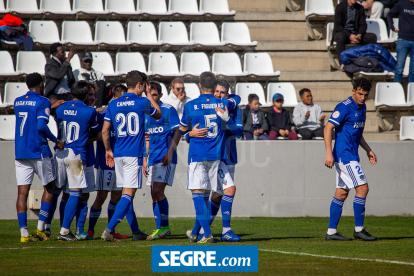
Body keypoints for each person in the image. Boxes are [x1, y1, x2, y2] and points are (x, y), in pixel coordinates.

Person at [100, 71, 162, 242]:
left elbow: (105, 130)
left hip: (118, 153)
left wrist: (107, 150)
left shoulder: (113, 104)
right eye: (144, 86)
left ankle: (135, 231)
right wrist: (150, 95)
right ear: (140, 85)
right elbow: (158, 113)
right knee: (128, 194)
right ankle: (109, 229)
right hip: (133, 154)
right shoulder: (142, 102)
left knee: (127, 194)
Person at [180, 72, 239, 244]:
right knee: (210, 195)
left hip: (198, 156)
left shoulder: (190, 105)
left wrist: (190, 133)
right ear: (214, 88)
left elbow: (182, 130)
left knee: (199, 195)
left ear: (199, 85)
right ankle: (199, 233)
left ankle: (206, 234)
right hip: (216, 157)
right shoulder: (222, 103)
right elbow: (236, 100)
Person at [324, 78, 378, 241]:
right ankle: (359, 229)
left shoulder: (363, 108)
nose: (362, 98)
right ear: (354, 91)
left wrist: (368, 150)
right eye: (360, 94)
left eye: (365, 95)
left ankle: (331, 233)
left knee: (341, 193)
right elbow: (328, 127)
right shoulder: (344, 107)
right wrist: (328, 153)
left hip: (352, 155)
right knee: (363, 188)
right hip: (345, 156)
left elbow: (357, 133)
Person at [14, 73, 64, 242]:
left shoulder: (18, 101)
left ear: (27, 85)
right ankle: (41, 227)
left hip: (21, 151)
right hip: (39, 150)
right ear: (41, 84)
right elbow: (41, 125)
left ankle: (24, 234)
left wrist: (50, 106)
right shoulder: (43, 101)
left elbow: (30, 114)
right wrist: (56, 140)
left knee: (22, 193)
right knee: (50, 187)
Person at [54, 81, 99, 241]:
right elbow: (95, 131)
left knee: (58, 192)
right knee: (75, 193)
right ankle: (65, 231)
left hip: (60, 153)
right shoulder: (88, 112)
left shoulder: (60, 108)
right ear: (86, 95)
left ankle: (45, 228)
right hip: (76, 155)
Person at [87, 84, 130, 240]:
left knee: (117, 195)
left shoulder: (125, 113)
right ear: (117, 98)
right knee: (101, 196)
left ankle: (110, 229)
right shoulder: (102, 113)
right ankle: (90, 229)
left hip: (121, 161)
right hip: (106, 162)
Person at [143, 81, 181, 240]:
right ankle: (160, 228)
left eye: (155, 95)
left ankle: (164, 227)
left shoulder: (167, 110)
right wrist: (145, 159)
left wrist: (170, 152)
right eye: (149, 95)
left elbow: (178, 131)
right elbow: (146, 138)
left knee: (158, 190)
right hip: (152, 158)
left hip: (165, 157)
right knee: (153, 193)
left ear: (160, 95)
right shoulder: (145, 113)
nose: (152, 98)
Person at [387, 0, 414, 84]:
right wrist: (392, 27)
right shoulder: (402, 4)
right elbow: (389, 14)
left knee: (413, 71)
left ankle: (411, 94)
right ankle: (396, 91)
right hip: (403, 40)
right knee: (399, 68)